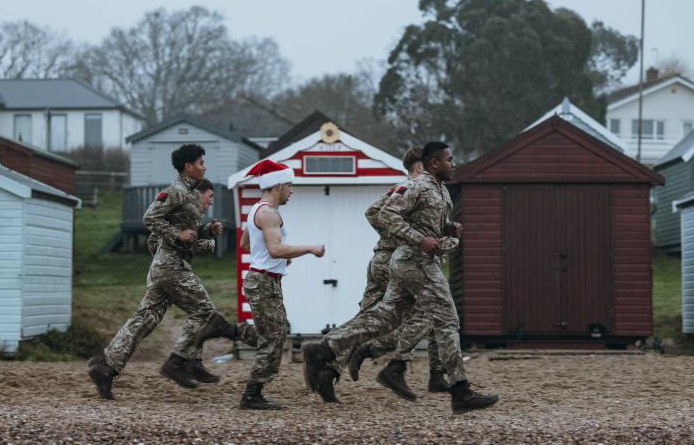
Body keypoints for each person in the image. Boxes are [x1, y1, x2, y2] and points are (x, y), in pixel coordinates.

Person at [304, 142, 499, 413]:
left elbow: (428, 224)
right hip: (414, 262)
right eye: (449, 159)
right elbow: (384, 214)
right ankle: (460, 391)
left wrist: (448, 229)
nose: (454, 164)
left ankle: (325, 348)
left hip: (411, 262)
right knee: (448, 320)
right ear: (433, 163)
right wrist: (418, 240)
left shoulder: (442, 191)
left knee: (387, 316)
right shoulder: (417, 186)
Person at [87, 144, 236, 399]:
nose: (205, 166)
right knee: (203, 311)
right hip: (171, 267)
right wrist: (176, 234)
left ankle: (106, 367)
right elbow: (150, 218)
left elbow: (183, 232)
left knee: (144, 319)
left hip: (165, 267)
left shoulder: (189, 195)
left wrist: (206, 232)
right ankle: (181, 362)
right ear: (188, 166)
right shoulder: (176, 192)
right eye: (201, 162)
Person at [312, 147, 451, 402]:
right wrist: (404, 237)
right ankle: (385, 360)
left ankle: (328, 370)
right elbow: (374, 213)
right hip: (396, 261)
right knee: (424, 315)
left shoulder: (414, 191)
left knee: (367, 319)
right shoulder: (411, 189)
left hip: (382, 260)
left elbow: (377, 214)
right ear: (421, 167)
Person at [197, 159, 325, 410]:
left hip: (263, 279)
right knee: (275, 339)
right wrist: (309, 248)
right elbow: (275, 248)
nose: (292, 191)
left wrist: (278, 256)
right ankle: (252, 394)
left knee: (273, 337)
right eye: (289, 186)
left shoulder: (257, 209)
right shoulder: (269, 213)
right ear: (277, 185)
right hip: (264, 281)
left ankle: (225, 328)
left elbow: (246, 244)